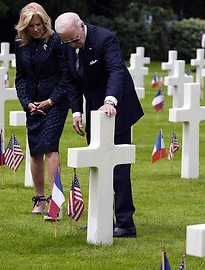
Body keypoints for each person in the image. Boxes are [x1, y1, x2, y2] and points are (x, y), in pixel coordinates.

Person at [55, 12, 144, 238]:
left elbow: (116, 71)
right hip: (94, 108)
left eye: (75, 39)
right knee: (97, 164)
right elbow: (70, 80)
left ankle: (125, 223)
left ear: (82, 26)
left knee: (118, 167)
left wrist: (110, 101)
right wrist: (76, 111)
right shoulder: (66, 44)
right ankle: (101, 218)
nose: (72, 44)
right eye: (67, 41)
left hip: (118, 105)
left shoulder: (105, 39)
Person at [14, 2, 70, 220]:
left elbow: (66, 75)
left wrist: (51, 101)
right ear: (24, 28)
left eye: (38, 24)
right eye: (31, 26)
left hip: (55, 102)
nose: (36, 29)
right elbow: (20, 77)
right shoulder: (21, 44)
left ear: (45, 21)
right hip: (33, 105)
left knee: (50, 148)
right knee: (35, 150)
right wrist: (27, 102)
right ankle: (40, 199)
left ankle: (56, 203)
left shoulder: (57, 41)